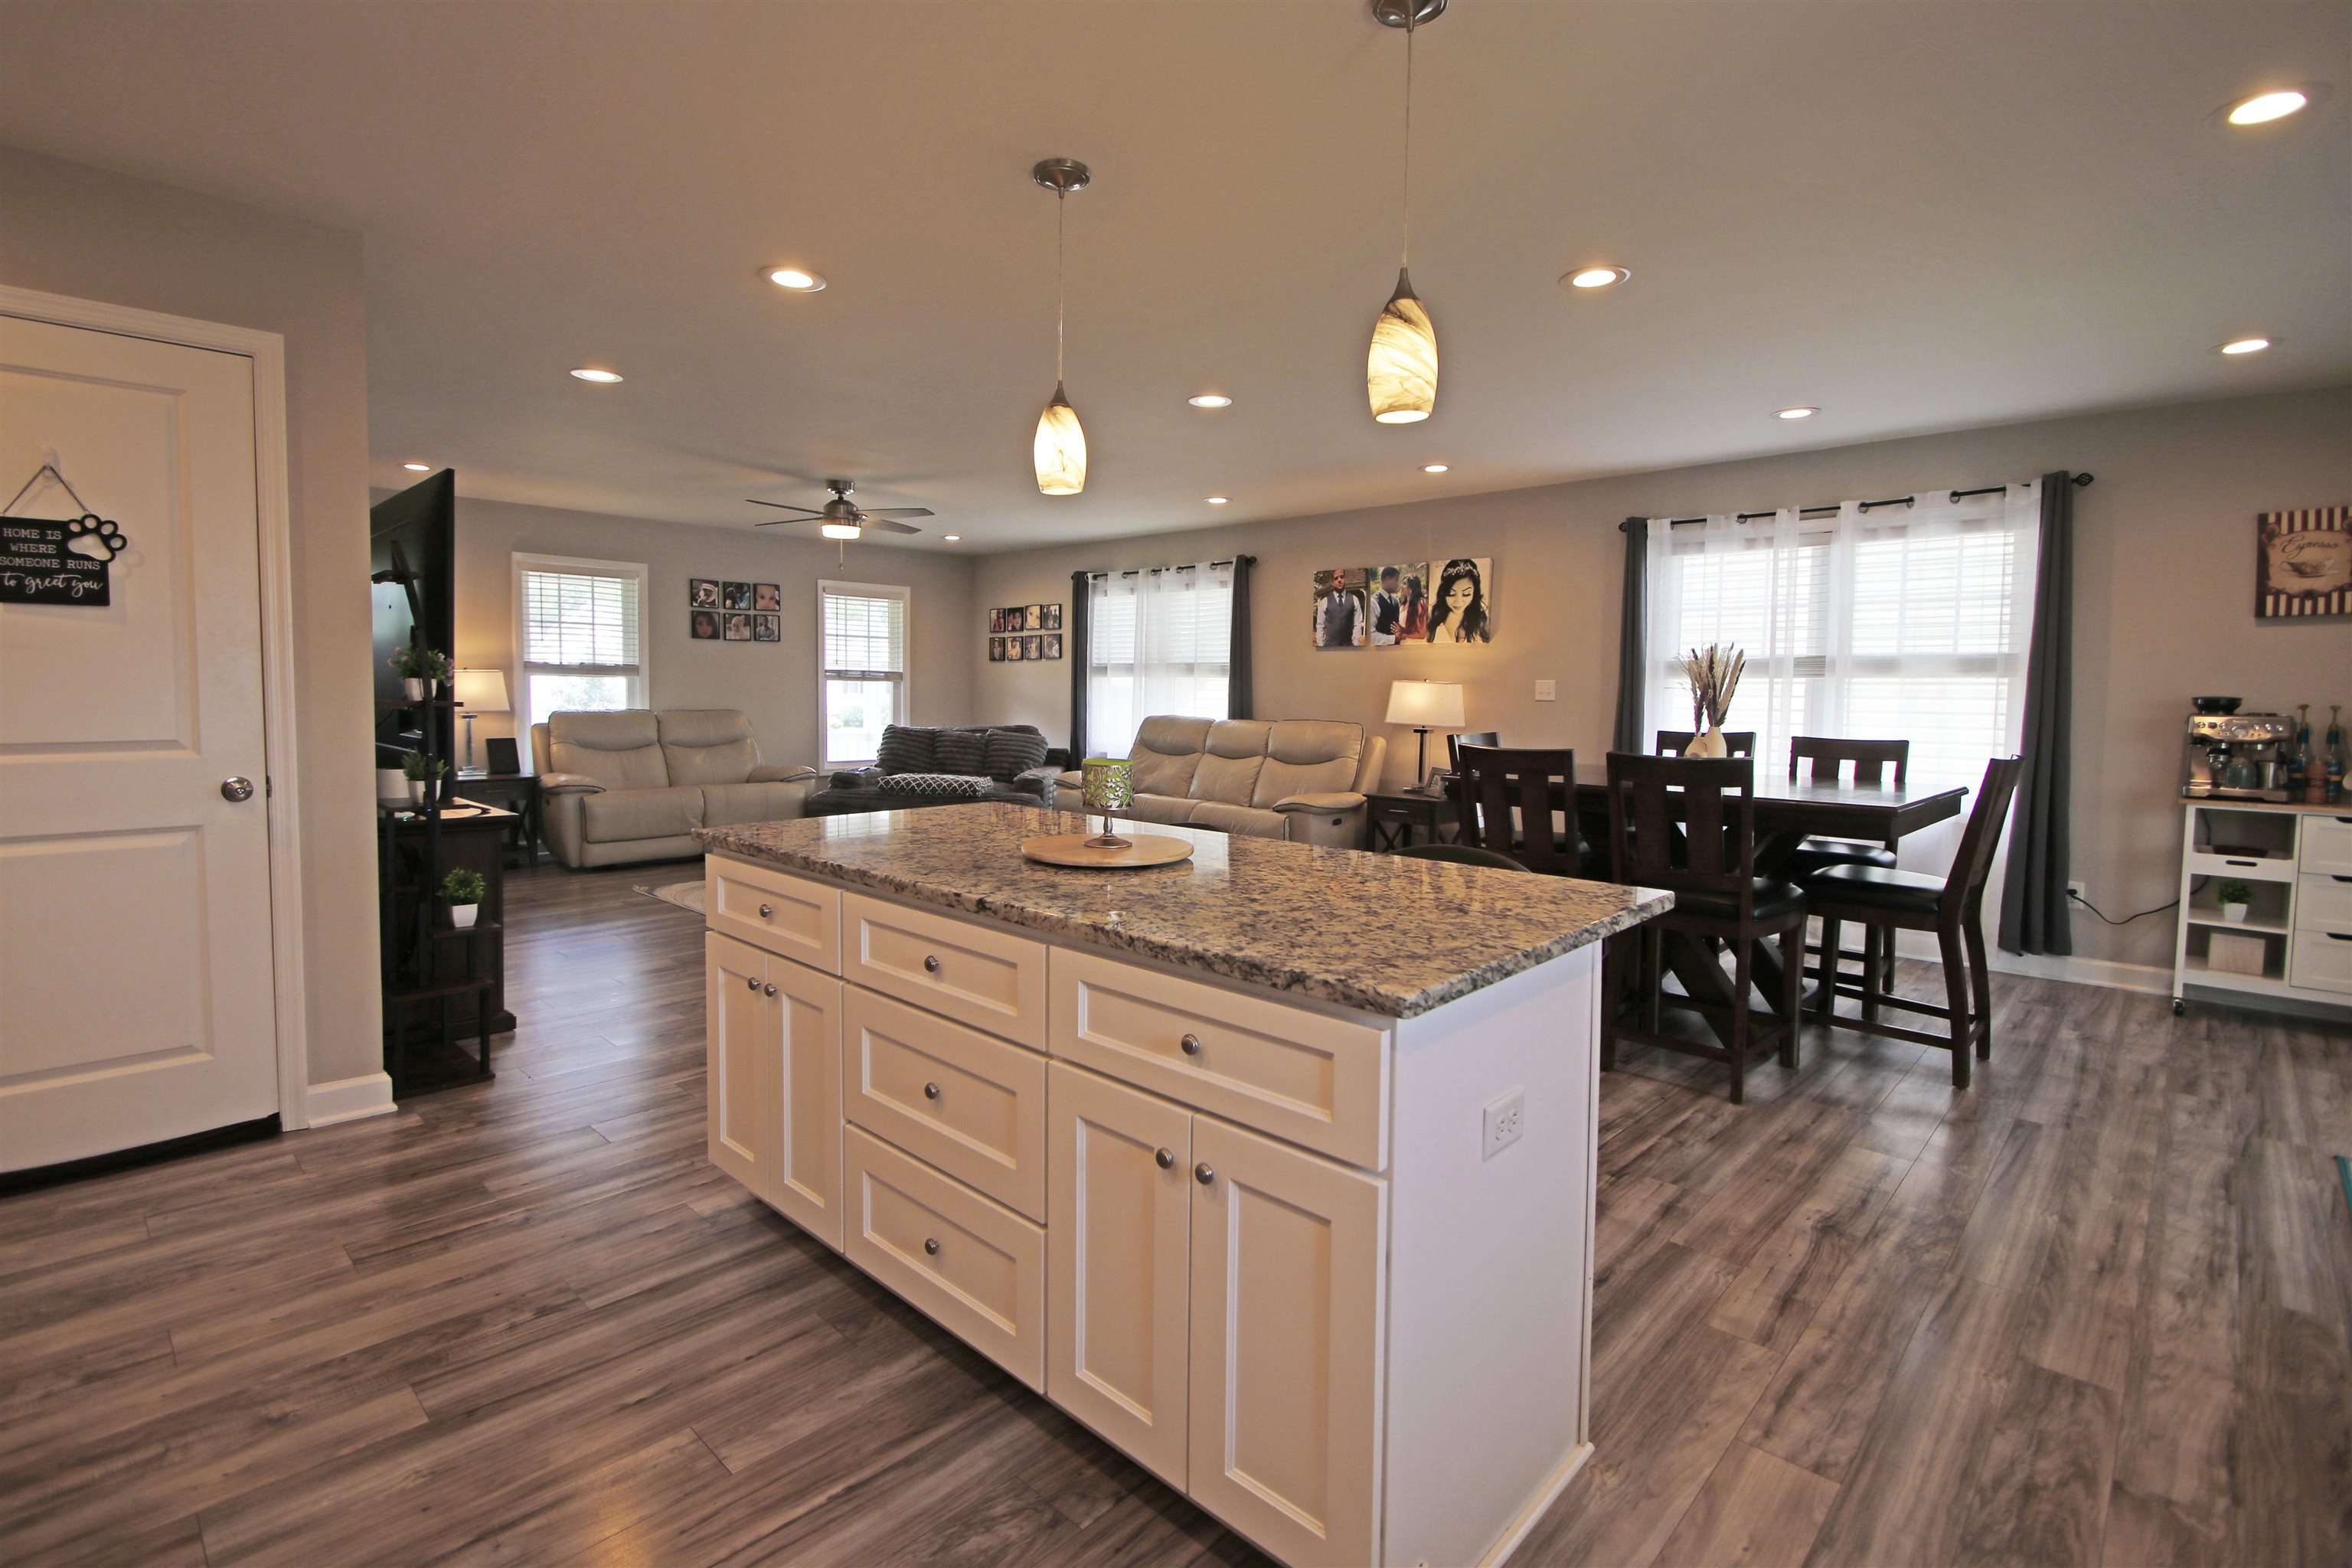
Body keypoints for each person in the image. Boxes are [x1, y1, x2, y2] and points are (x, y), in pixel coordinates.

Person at [1426, 559, 1490, 644]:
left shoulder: (1481, 622)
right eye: (1451, 593)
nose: (1458, 602)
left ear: (1474, 593)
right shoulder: (1435, 617)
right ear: (1443, 593)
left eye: (1466, 594)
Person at [1316, 568, 1363, 648]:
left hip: (1348, 647)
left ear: (1345, 580)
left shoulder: (1354, 599)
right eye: (1336, 578)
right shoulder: (1324, 602)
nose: (1339, 580)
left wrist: (1355, 644)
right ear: (1333, 583)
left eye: (1342, 577)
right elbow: (1320, 625)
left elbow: (1358, 623)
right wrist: (1321, 646)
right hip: (1329, 647)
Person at [1369, 566, 1404, 646]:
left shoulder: (1396, 600)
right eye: (1396, 580)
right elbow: (1371, 636)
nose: (1398, 584)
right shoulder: (1374, 602)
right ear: (1388, 579)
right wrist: (1393, 639)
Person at [1398, 570, 1430, 642]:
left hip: (1414, 646)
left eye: (1404, 584)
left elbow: (1422, 634)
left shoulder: (1421, 604)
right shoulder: (1403, 604)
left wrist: (1402, 634)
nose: (1401, 586)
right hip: (1402, 645)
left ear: (1411, 588)